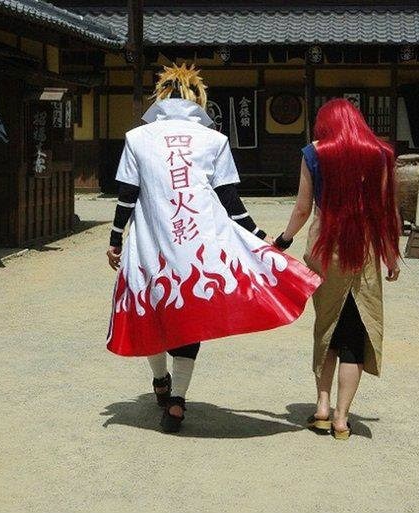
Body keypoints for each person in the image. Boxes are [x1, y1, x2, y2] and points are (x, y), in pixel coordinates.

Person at [106, 63, 321, 433]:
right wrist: (259, 238)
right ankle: (177, 401)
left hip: (150, 246)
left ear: (160, 97)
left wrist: (114, 239)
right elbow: (230, 201)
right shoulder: (213, 140)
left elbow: (128, 195)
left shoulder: (137, 138)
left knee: (152, 312)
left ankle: (160, 380)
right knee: (189, 317)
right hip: (199, 250)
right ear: (198, 100)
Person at [274, 98, 401, 440]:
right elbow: (385, 212)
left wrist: (282, 240)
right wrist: (391, 256)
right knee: (354, 335)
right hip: (363, 251)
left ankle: (321, 407)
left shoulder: (313, 153)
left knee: (327, 325)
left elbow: (302, 209)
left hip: (325, 250)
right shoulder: (379, 153)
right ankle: (342, 420)